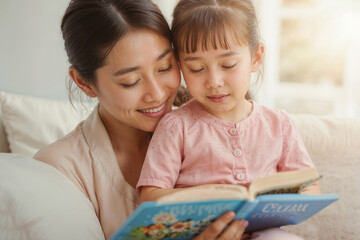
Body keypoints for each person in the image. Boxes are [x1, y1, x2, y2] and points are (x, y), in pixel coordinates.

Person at [34, 0, 249, 239]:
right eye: (131, 82)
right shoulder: (59, 168)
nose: (157, 94)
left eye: (165, 67)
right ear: (84, 83)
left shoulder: (217, 129)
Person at [137, 0, 322, 239]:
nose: (213, 81)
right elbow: (150, 197)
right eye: (196, 68)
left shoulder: (279, 124)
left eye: (228, 65)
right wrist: (211, 194)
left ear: (256, 57)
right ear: (180, 65)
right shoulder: (176, 126)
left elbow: (311, 188)